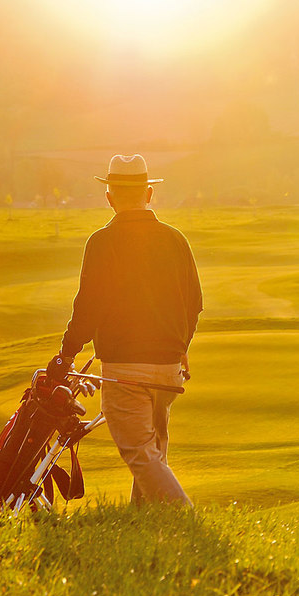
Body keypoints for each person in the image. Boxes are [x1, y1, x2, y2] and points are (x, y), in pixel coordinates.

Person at [54, 153, 202, 505]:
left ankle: (186, 523)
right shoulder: (176, 239)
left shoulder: (102, 242)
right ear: (149, 193)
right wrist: (182, 347)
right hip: (169, 369)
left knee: (140, 454)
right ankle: (144, 525)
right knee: (154, 455)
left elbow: (88, 306)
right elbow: (193, 304)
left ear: (109, 197)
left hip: (125, 368)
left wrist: (67, 353)